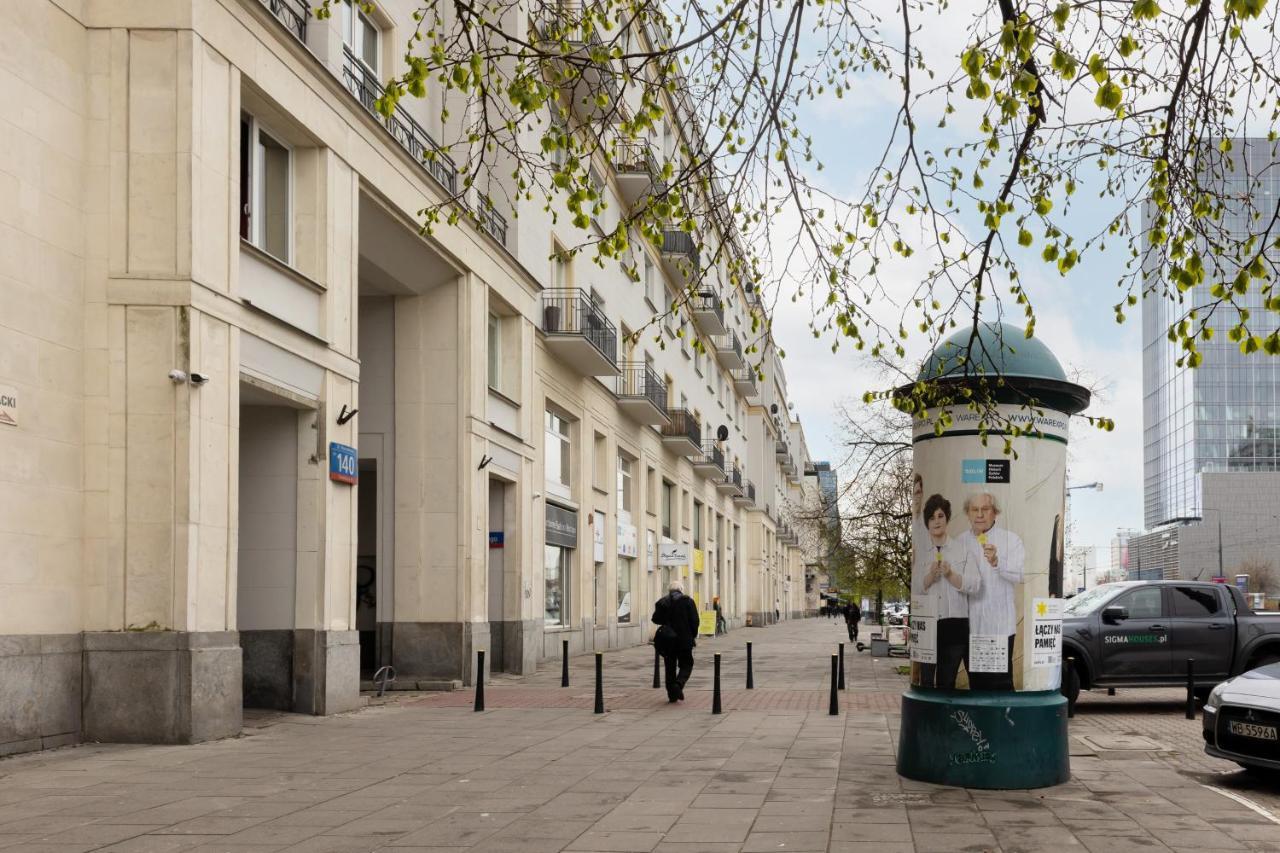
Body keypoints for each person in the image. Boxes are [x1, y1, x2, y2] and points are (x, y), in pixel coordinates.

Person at [957, 492, 1025, 690]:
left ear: (995, 513)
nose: (979, 514)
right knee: (976, 684)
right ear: (968, 514)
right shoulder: (959, 542)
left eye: (985, 509)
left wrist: (997, 562)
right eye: (974, 510)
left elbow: (1021, 574)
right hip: (970, 628)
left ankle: (1003, 720)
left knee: (1001, 685)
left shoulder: (1011, 540)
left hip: (999, 628)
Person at [912, 494, 979, 689]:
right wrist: (930, 576)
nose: (936, 521)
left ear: (947, 518)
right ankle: (926, 720)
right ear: (926, 523)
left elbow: (975, 585)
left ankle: (945, 719)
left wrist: (951, 575)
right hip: (928, 624)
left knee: (946, 682)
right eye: (931, 518)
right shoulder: (922, 553)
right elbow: (916, 589)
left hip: (955, 625)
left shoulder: (962, 550)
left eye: (940, 516)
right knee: (925, 683)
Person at [652, 581, 700, 702]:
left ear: (669, 590)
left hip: (668, 640)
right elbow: (695, 621)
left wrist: (666, 621)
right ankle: (678, 684)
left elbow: (655, 619)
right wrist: (692, 636)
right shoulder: (688, 601)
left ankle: (672, 695)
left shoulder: (662, 602)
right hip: (684, 639)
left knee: (669, 667)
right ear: (681, 590)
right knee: (687, 664)